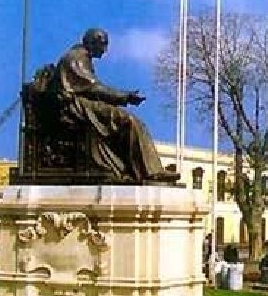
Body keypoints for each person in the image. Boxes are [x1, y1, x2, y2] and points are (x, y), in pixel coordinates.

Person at [53, 28, 179, 184]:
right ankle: (150, 172)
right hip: (76, 107)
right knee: (129, 121)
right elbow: (94, 88)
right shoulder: (76, 58)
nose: (105, 50)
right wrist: (124, 96)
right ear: (92, 42)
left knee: (126, 120)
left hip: (82, 103)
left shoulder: (81, 57)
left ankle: (143, 170)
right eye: (103, 45)